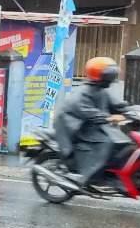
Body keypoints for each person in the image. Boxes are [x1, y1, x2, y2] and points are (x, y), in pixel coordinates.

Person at [55, 56, 131, 190]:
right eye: (109, 77)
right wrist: (110, 118)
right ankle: (86, 177)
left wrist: (132, 110)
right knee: (107, 143)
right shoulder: (82, 93)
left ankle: (112, 174)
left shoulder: (102, 90)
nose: (111, 80)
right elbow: (89, 113)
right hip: (76, 128)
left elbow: (118, 105)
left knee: (125, 142)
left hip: (94, 126)